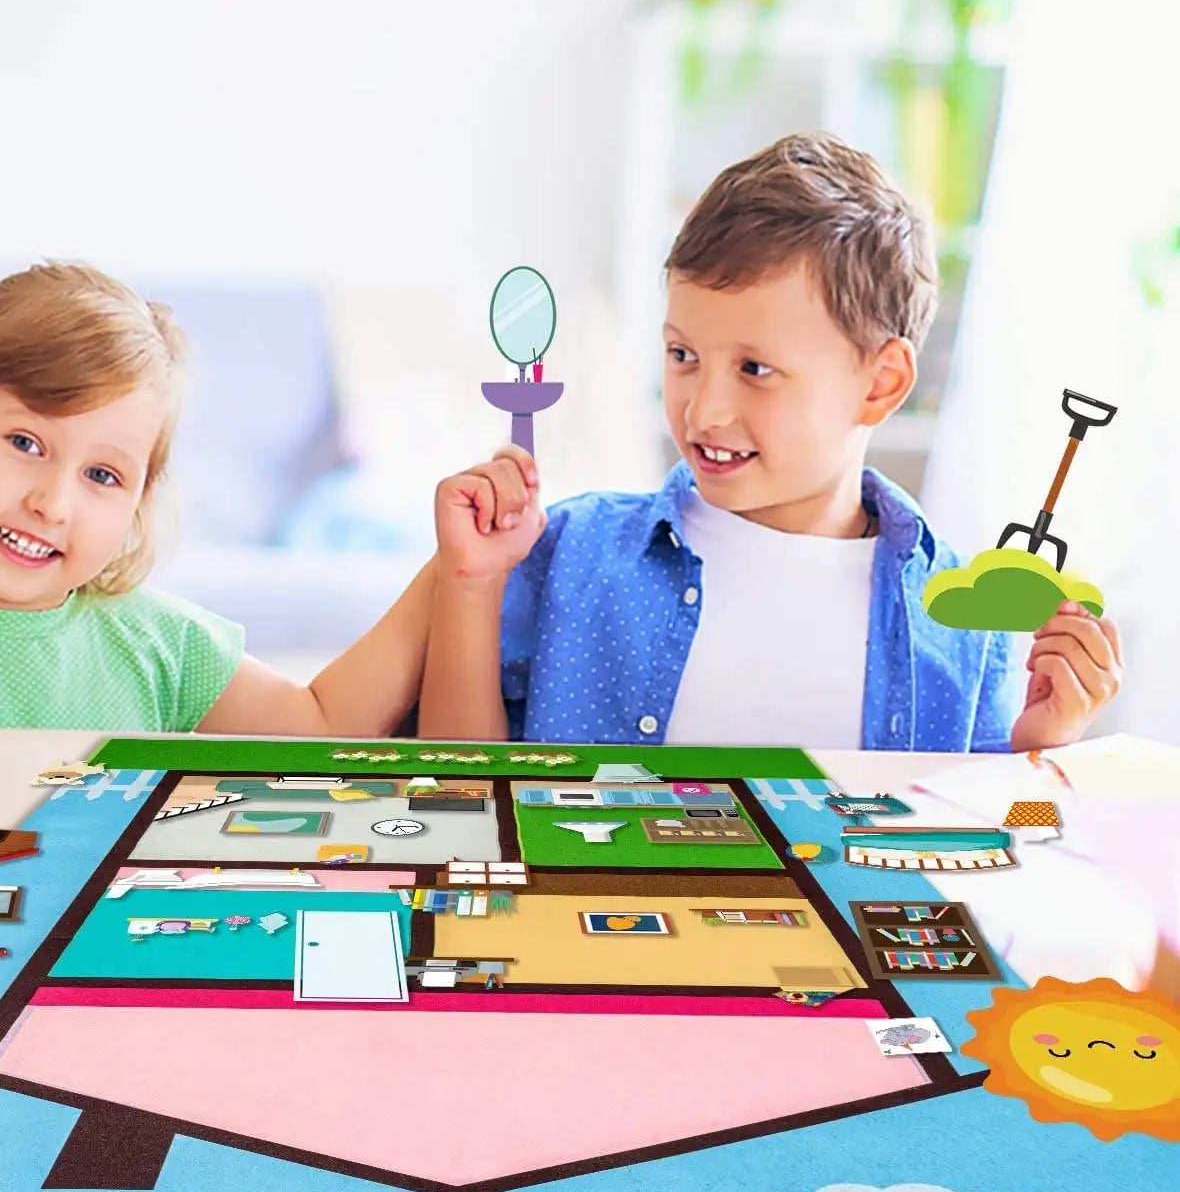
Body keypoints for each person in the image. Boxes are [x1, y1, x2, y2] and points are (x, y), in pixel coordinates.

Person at [421, 132, 1123, 752]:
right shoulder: (571, 551)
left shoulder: (969, 637)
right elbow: (466, 795)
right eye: (682, 356)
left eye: (756, 369)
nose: (705, 409)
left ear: (880, 384)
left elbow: (980, 858)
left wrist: (1041, 748)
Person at [0, 261, 471, 753]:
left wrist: (448, 569)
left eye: (102, 475)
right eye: (25, 442)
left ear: (137, 504)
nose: (50, 502)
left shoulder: (161, 648)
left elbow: (323, 725)